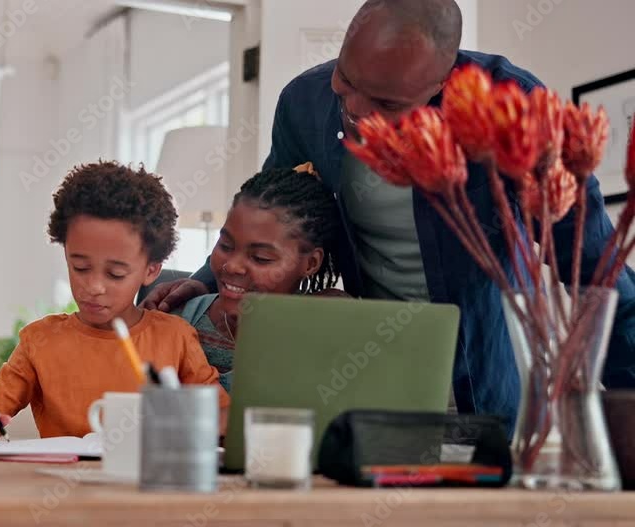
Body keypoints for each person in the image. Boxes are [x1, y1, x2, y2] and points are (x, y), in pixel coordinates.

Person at [143, 0, 635, 427]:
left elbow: (600, 272)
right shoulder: (304, 104)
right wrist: (209, 276)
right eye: (345, 81)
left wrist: (620, 414)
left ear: (444, 80)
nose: (353, 109)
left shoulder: (514, 107)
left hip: (481, 384)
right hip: (366, 374)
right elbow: (274, 207)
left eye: (384, 102)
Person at [0, 161, 229, 443]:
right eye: (80, 267)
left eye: (115, 274)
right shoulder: (40, 341)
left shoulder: (175, 337)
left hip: (147, 483)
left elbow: (221, 418)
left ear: (151, 270)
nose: (93, 287)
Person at [174, 165, 347, 393]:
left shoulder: (325, 333)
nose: (233, 266)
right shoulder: (179, 322)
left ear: (311, 263)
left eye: (261, 258)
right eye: (225, 245)